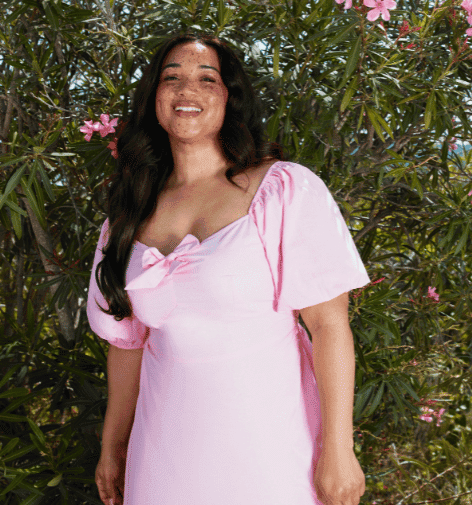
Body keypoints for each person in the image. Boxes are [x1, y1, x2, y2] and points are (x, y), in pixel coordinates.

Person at [87, 31, 371, 505]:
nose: (187, 90)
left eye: (206, 78)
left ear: (229, 98)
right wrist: (113, 448)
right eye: (171, 77)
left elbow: (329, 325)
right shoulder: (125, 218)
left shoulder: (282, 190)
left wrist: (339, 450)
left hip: (272, 450)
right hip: (163, 457)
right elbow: (128, 347)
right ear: (154, 97)